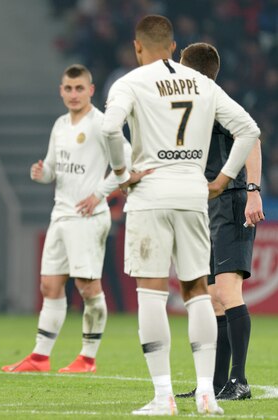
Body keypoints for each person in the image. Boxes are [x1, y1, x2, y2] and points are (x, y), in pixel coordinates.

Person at [102, 15, 260, 416]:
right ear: (173, 47)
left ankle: (163, 396)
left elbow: (108, 130)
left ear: (138, 48)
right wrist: (223, 179)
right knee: (198, 294)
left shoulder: (131, 82)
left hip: (151, 193)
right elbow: (249, 129)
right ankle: (208, 392)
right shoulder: (203, 84)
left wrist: (123, 175)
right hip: (195, 194)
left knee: (152, 294)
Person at [1, 65, 133, 374]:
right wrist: (41, 173)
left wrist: (99, 193)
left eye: (79, 88)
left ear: (90, 90)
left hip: (87, 217)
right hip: (60, 215)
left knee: (88, 288)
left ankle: (87, 358)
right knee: (50, 285)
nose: (73, 94)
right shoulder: (60, 125)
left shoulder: (102, 124)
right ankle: (40, 357)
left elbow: (126, 163)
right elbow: (51, 168)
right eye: (68, 89)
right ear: (61, 91)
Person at [175, 42, 263, 401]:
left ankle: (239, 381)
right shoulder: (196, 105)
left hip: (230, 201)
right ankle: (212, 382)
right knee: (211, 298)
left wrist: (253, 191)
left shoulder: (218, 100)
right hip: (206, 206)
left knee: (227, 293)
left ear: (191, 70)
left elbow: (252, 138)